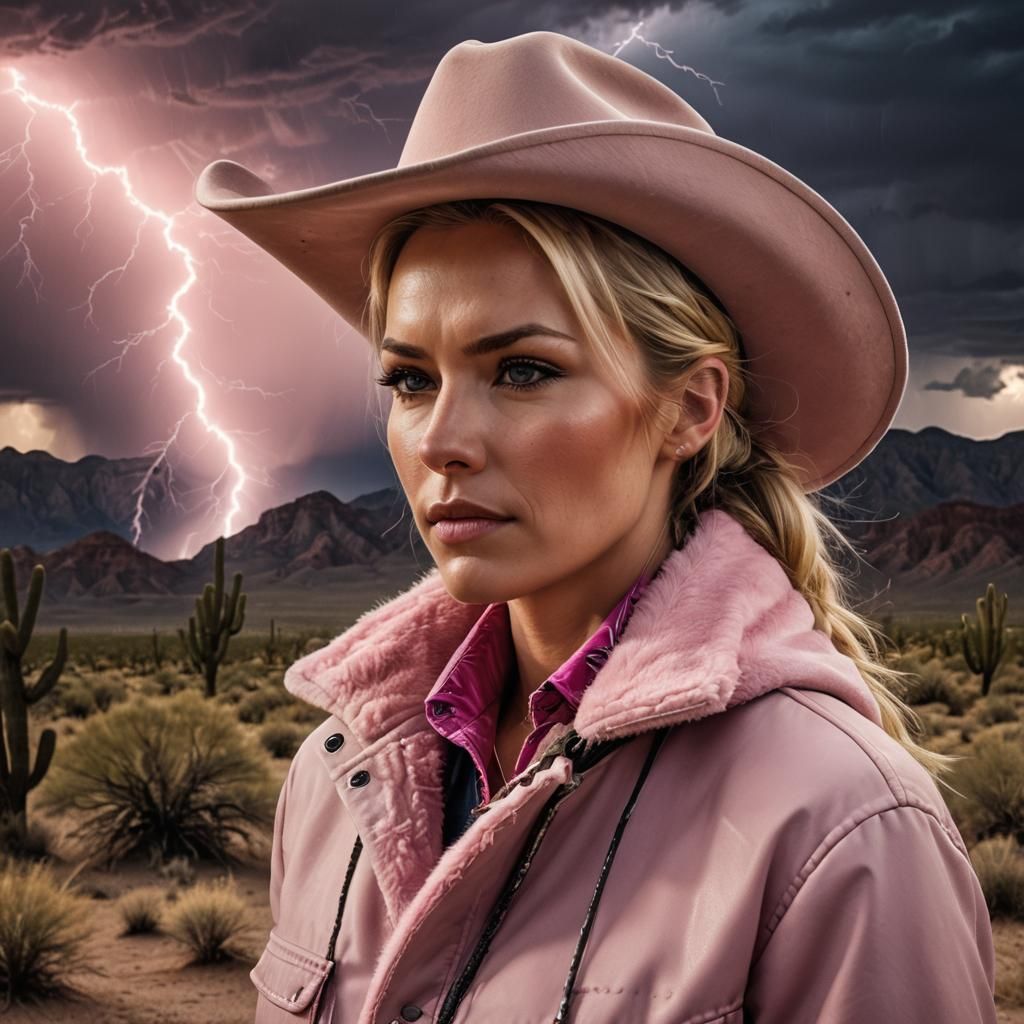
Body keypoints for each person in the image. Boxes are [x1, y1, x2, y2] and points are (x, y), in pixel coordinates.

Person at [195, 30, 998, 1024]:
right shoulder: (334, 784)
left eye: (522, 369)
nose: (441, 439)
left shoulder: (840, 826)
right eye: (409, 379)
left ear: (691, 409)